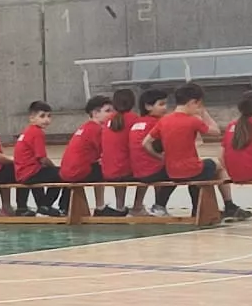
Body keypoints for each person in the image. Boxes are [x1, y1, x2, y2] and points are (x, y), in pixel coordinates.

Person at [147, 83, 243, 220]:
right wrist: (204, 113)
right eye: (198, 104)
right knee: (217, 165)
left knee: (200, 171)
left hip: (172, 170)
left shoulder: (164, 120)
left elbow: (146, 142)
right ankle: (228, 205)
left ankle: (161, 205)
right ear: (193, 102)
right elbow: (215, 131)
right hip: (191, 170)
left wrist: (160, 157)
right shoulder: (192, 121)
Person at [58, 95, 112, 217]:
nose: (111, 114)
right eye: (107, 111)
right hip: (78, 172)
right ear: (95, 113)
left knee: (98, 167)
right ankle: (100, 207)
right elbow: (104, 153)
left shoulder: (84, 127)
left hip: (66, 171)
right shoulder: (96, 129)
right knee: (103, 170)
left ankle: (64, 206)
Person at [13, 103, 62, 214]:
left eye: (49, 116)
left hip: (21, 172)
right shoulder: (37, 133)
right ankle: (46, 204)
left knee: (40, 171)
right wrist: (55, 168)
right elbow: (42, 158)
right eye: (42, 116)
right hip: (30, 173)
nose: (46, 119)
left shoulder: (27, 131)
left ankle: (23, 207)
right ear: (32, 118)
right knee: (60, 174)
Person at [130, 88, 171, 216]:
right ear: (148, 106)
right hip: (152, 170)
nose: (165, 107)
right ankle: (159, 206)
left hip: (137, 170)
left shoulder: (137, 122)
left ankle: (137, 206)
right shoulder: (158, 123)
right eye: (161, 104)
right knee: (176, 171)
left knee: (150, 170)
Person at [97, 87, 136, 217]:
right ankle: (138, 206)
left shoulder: (109, 120)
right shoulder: (133, 119)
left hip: (107, 170)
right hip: (124, 170)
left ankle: (120, 207)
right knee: (150, 169)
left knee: (119, 165)